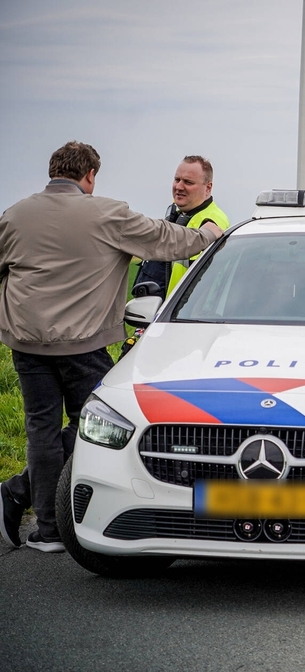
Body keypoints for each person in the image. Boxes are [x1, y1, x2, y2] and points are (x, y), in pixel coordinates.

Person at [0, 141, 223, 552]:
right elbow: (169, 241)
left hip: (27, 342)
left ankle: (46, 529)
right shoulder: (108, 214)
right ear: (90, 176)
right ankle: (54, 507)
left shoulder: (14, 215)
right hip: (83, 344)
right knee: (97, 426)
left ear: (52, 171)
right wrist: (208, 233)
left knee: (41, 430)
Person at [131, 155, 230, 300]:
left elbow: (204, 285)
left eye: (188, 182)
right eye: (177, 180)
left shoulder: (212, 222)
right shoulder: (179, 216)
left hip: (180, 311)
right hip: (159, 310)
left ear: (208, 188)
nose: (179, 187)